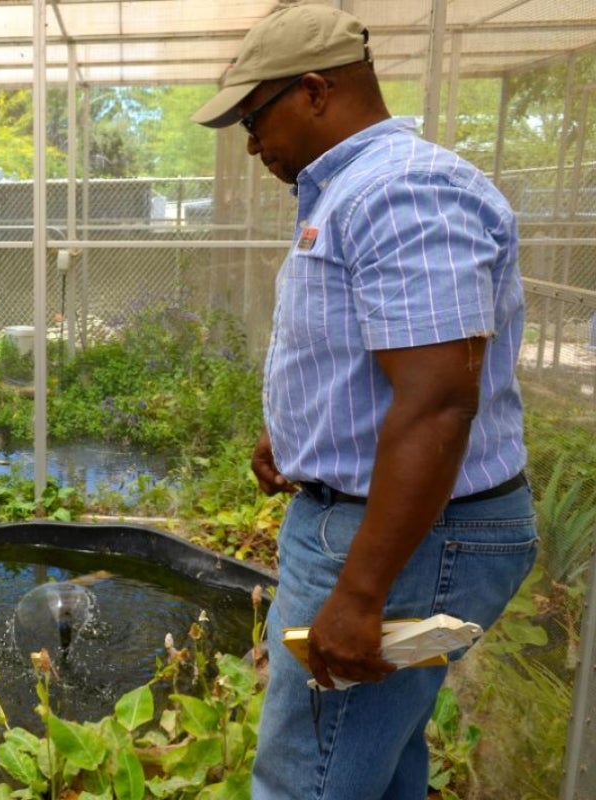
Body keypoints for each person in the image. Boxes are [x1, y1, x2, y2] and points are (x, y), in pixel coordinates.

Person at [191, 5, 537, 799]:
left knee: (304, 779)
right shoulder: (353, 193)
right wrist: (300, 434)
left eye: (254, 117)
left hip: (412, 544)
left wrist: (359, 596)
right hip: (391, 528)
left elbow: (441, 402)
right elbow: (377, 362)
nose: (250, 144)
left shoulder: (404, 189)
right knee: (374, 763)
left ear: (314, 90)